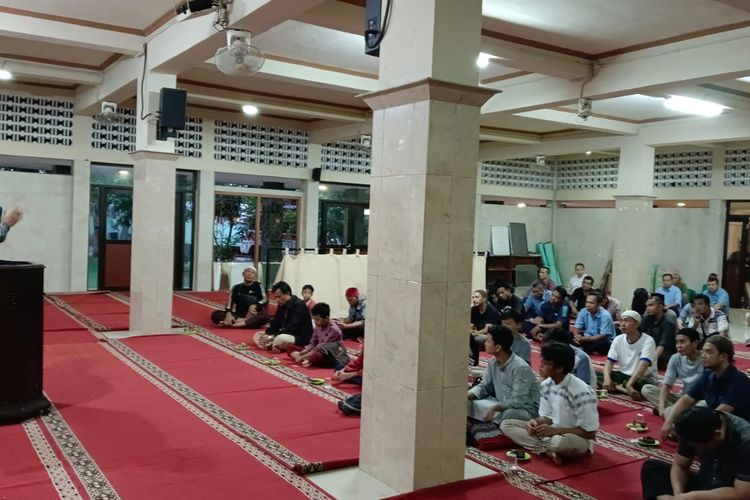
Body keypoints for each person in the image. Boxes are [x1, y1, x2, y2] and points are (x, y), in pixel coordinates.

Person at [501, 342, 598, 465]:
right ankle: (547, 451)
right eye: (542, 361)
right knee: (507, 424)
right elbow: (547, 417)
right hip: (551, 433)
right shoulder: (546, 385)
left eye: (546, 363)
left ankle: (547, 448)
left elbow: (590, 433)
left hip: (575, 439)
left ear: (560, 368)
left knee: (559, 442)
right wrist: (535, 423)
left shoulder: (581, 392)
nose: (540, 366)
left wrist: (555, 431)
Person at [641, 407, 750, 500]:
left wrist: (692, 497)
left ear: (717, 434)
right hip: (704, 484)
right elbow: (680, 465)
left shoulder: (746, 440)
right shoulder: (691, 426)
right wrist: (679, 495)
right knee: (652, 467)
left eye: (700, 446)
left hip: (729, 493)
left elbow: (742, 493)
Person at [661, 335, 750, 441]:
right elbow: (686, 399)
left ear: (723, 356)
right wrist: (669, 422)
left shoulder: (738, 381)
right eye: (703, 351)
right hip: (714, 419)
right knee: (671, 412)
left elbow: (720, 413)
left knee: (694, 423)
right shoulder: (708, 375)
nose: (703, 356)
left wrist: (689, 426)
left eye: (709, 352)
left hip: (736, 429)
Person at [467, 325, 540, 426]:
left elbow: (518, 401)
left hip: (525, 409)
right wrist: (470, 394)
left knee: (506, 414)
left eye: (488, 341)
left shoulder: (520, 367)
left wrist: (495, 407)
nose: (485, 343)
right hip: (502, 403)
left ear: (498, 347)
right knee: (469, 402)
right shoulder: (492, 362)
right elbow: (485, 386)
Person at [641, 328, 704, 419]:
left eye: (682, 342)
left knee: (704, 406)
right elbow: (667, 384)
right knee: (647, 389)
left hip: (700, 402)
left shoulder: (705, 359)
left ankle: (675, 413)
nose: (678, 346)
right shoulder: (676, 358)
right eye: (677, 342)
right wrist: (662, 407)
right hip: (682, 399)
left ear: (695, 343)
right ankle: (679, 414)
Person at [599, 310, 657, 401]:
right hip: (623, 375)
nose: (622, 324)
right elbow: (609, 363)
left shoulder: (648, 340)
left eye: (626, 321)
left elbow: (643, 366)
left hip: (642, 377)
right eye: (621, 321)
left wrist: (630, 384)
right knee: (596, 375)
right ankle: (625, 390)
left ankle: (619, 387)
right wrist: (606, 379)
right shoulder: (618, 339)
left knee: (644, 385)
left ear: (637, 324)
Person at [254, 281, 313, 352]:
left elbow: (291, 328)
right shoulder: (282, 304)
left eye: (279, 297)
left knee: (280, 339)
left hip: (298, 337)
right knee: (258, 335)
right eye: (275, 297)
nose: (277, 300)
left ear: (287, 293)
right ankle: (273, 344)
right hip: (284, 333)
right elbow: (276, 322)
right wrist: (268, 334)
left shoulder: (299, 305)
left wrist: (271, 337)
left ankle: (273, 344)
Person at [289, 303, 347, 368]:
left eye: (317, 319)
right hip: (316, 350)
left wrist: (303, 356)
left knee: (316, 355)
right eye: (314, 319)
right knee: (290, 347)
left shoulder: (334, 330)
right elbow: (313, 342)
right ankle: (306, 360)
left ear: (327, 318)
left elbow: (321, 347)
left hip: (331, 355)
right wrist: (303, 352)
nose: (315, 322)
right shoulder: (318, 326)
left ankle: (306, 359)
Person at [640, 293, 677, 369]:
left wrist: (651, 360)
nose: (647, 308)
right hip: (649, 350)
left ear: (660, 307)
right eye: (646, 306)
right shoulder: (646, 319)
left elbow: (662, 345)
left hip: (663, 352)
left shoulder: (669, 323)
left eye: (651, 305)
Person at [469, 289, 500, 366]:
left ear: (484, 299)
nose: (474, 300)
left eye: (476, 297)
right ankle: (470, 357)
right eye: (473, 298)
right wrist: (470, 331)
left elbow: (487, 329)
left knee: (475, 339)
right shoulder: (473, 309)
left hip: (489, 335)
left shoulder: (492, 311)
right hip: (477, 333)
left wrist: (475, 333)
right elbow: (471, 324)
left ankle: (473, 358)